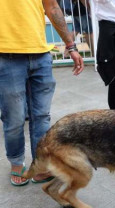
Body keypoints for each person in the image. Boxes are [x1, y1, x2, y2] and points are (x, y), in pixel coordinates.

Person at [0, 0, 84, 186]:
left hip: (40, 55)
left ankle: (40, 165)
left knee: (42, 116)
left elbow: (52, 7)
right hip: (6, 56)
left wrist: (70, 46)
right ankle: (16, 163)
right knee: (14, 118)